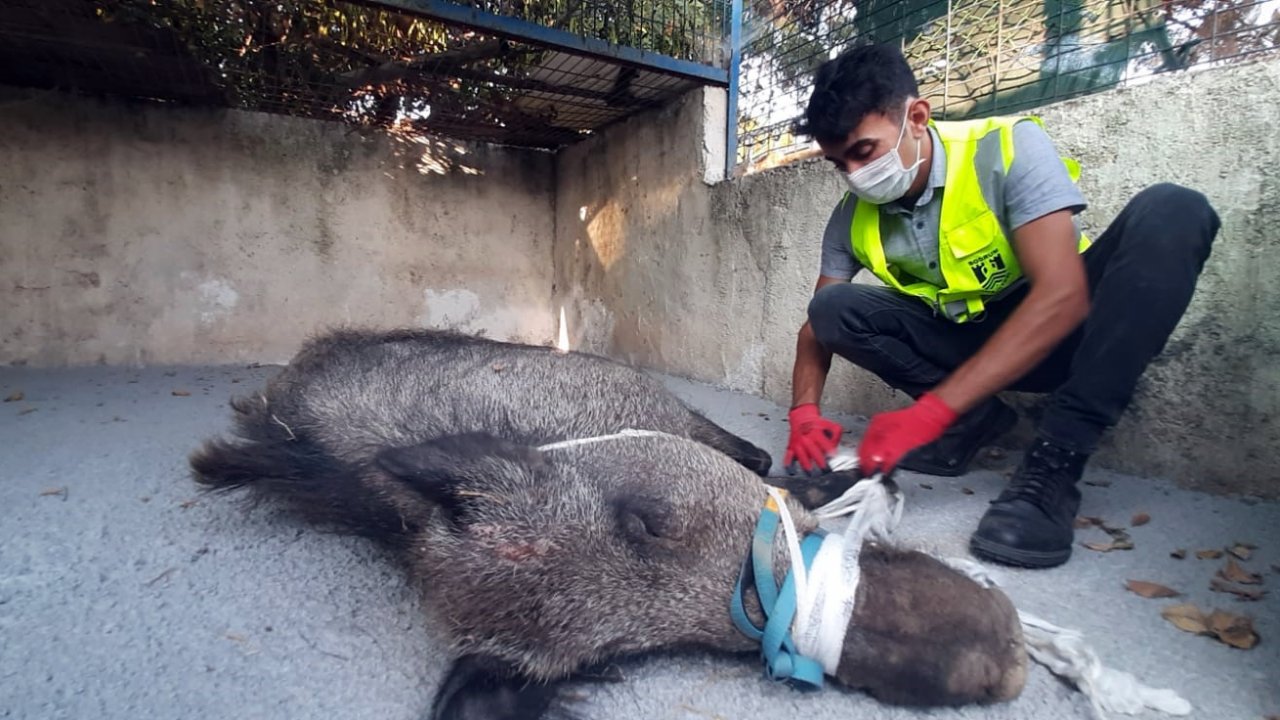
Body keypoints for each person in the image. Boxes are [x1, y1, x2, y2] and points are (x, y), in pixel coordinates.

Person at [781, 42, 1220, 569]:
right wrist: (803, 414)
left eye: (864, 151)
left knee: (1173, 209)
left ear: (916, 117)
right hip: (963, 342)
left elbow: (1062, 296)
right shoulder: (851, 218)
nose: (853, 173)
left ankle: (1054, 465)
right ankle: (971, 425)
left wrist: (928, 413)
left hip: (1060, 336)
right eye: (838, 163)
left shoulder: (1004, 148)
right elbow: (815, 327)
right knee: (833, 310)